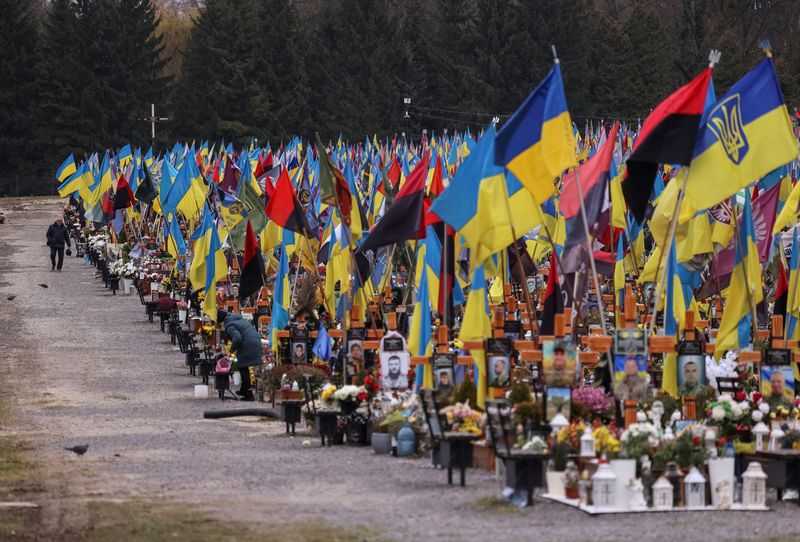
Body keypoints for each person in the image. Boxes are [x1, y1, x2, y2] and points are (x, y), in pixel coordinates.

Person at [218, 309, 263, 401]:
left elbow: (237, 338)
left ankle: (249, 395)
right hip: (254, 342)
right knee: (242, 366)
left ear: (222, 321)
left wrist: (231, 351)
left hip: (249, 345)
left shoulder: (230, 325)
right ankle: (243, 390)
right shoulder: (236, 319)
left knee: (243, 367)